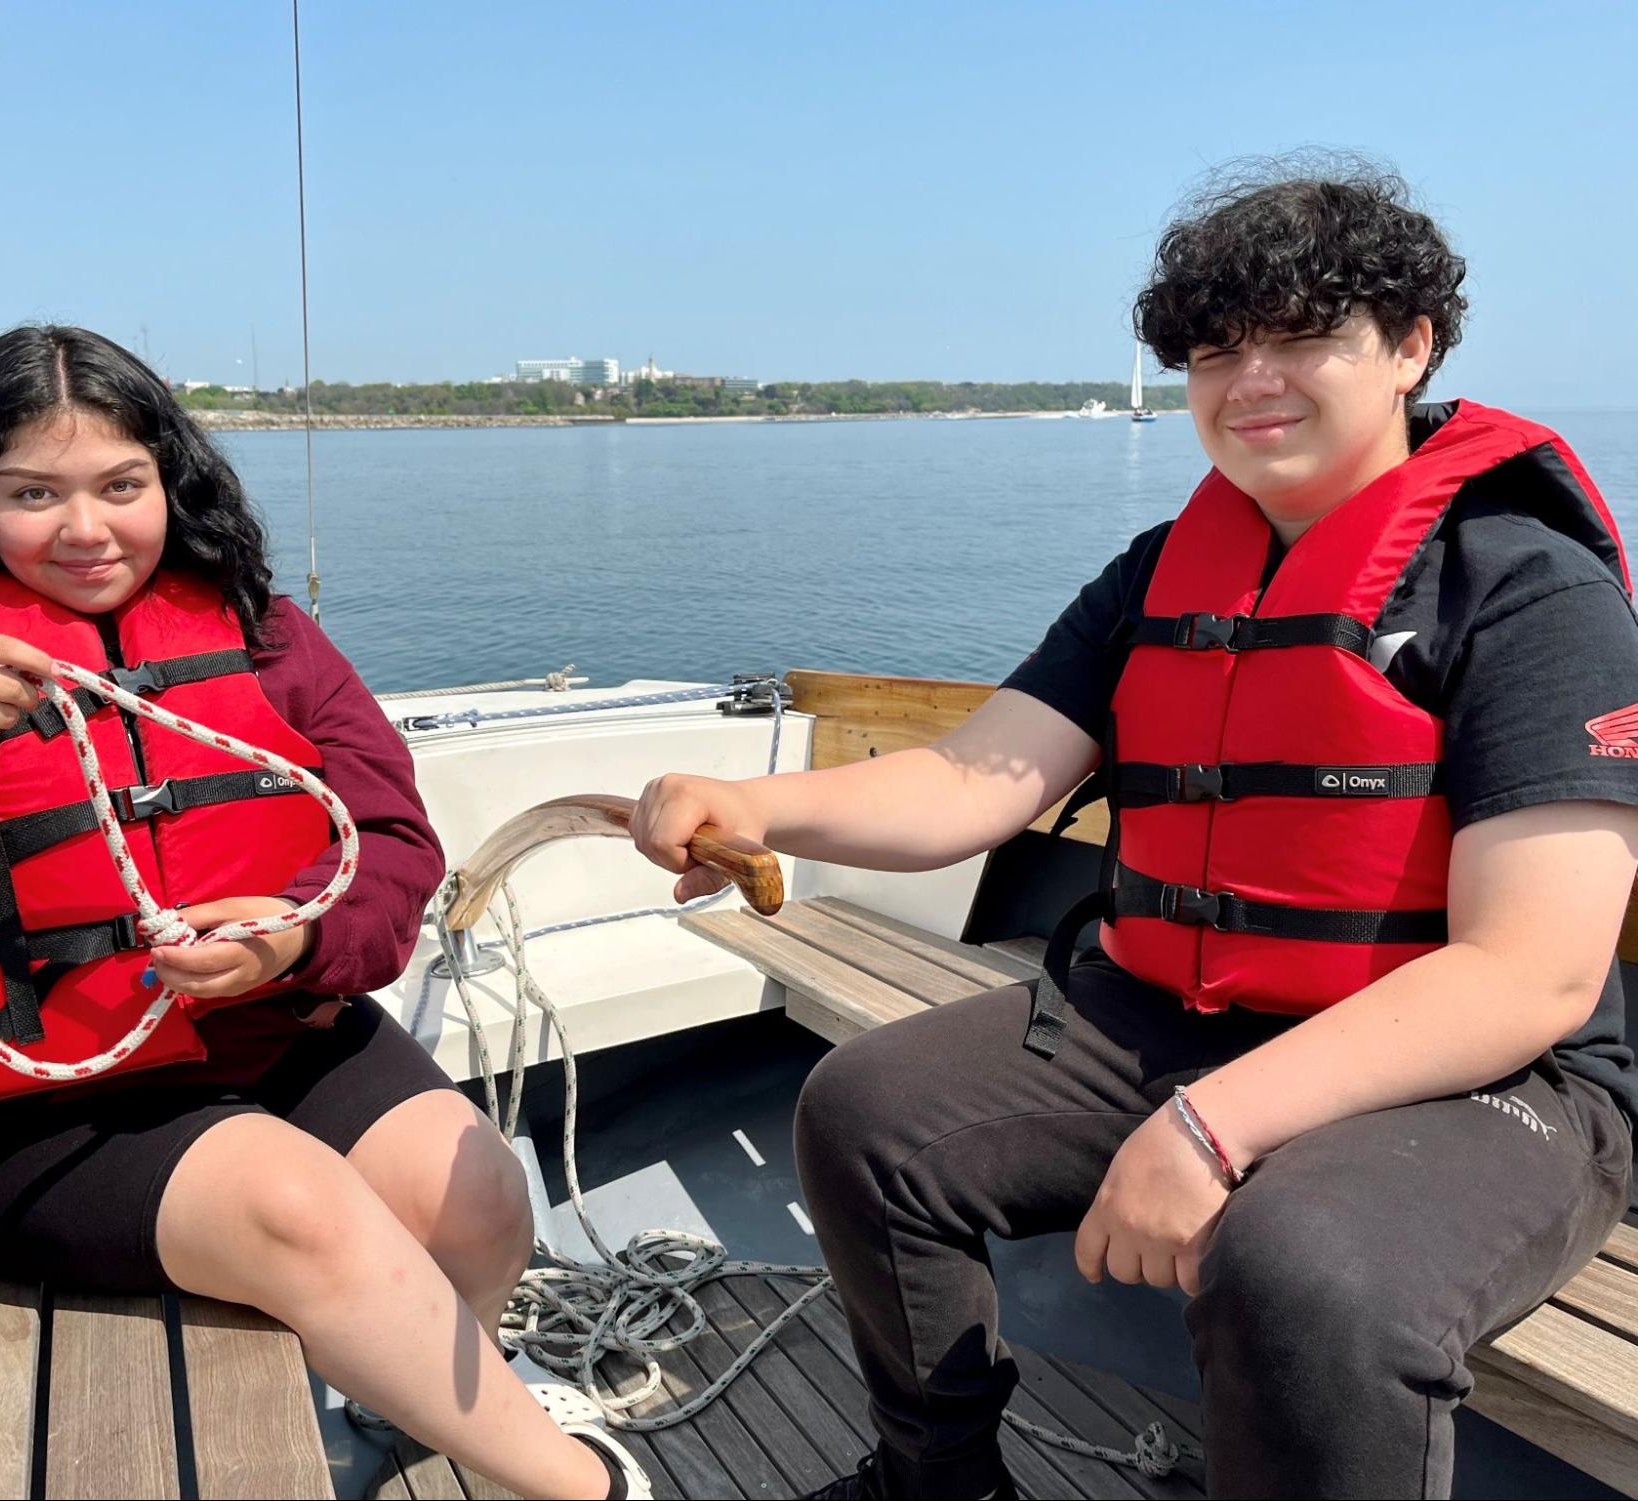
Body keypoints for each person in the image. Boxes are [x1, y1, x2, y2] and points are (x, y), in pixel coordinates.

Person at [632, 164, 1638, 1499]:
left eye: (1300, 337)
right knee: (869, 1116)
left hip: (1479, 1075)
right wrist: (754, 803)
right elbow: (971, 781)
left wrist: (1207, 1130)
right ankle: (934, 1482)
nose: (1251, 379)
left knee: (1301, 1268)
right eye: (1215, 350)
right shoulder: (1156, 577)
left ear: (1408, 347)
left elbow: (1531, 973)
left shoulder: (1525, 593)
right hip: (1180, 1008)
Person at [0, 326, 649, 1501]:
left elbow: (389, 846)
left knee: (480, 1193)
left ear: (167, 481)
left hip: (274, 1031)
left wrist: (292, 938)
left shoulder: (265, 634)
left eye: (121, 486)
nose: (86, 530)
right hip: (51, 1116)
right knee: (298, 1205)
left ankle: (420, 1414)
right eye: (34, 492)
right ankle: (587, 1485)